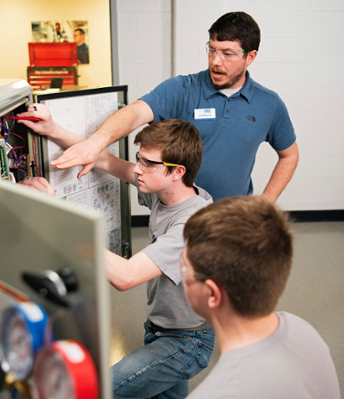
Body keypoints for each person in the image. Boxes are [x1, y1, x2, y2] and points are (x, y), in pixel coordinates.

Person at [21, 119, 215, 399]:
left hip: (185, 343)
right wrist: (53, 130)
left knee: (100, 389)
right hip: (160, 331)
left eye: (149, 163)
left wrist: (52, 213)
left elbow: (126, 277)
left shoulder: (192, 224)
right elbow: (104, 159)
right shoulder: (167, 194)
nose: (137, 168)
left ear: (178, 172)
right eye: (139, 159)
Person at [19, 11, 298, 203]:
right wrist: (93, 141)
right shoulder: (182, 88)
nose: (215, 61)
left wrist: (265, 204)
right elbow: (134, 114)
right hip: (175, 213)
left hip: (231, 219)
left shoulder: (269, 104)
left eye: (227, 54)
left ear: (250, 57)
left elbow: (289, 155)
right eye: (211, 49)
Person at [179, 195, 341, 399]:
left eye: (185, 267)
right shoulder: (303, 330)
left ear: (212, 294)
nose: (182, 274)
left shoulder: (216, 393)